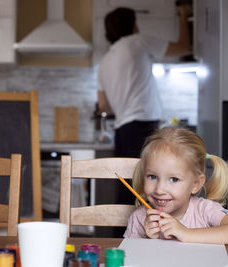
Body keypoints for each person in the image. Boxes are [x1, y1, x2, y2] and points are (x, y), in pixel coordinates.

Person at [97, 6, 190, 157]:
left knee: (126, 179)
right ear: (133, 25)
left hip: (121, 132)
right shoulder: (138, 42)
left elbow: (103, 106)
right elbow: (183, 47)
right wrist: (184, 16)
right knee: (146, 178)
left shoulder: (104, 62)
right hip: (142, 127)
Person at [124, 127, 228, 244]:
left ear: (195, 184)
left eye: (174, 179)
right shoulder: (139, 218)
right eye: (152, 176)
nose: (159, 190)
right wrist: (147, 239)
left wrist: (186, 233)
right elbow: (131, 257)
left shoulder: (205, 210)